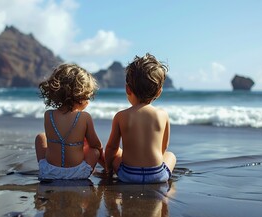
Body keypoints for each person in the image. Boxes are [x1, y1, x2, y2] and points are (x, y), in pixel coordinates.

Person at [104, 53, 176, 183]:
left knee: (117, 153)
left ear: (128, 89)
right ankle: (168, 192)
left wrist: (109, 169)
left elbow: (111, 148)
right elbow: (163, 147)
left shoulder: (121, 116)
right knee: (171, 156)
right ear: (159, 92)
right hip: (157, 176)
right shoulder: (163, 115)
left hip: (128, 175)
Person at [35, 63, 104, 180]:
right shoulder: (85, 117)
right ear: (81, 95)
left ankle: (45, 169)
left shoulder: (48, 115)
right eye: (87, 97)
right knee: (94, 151)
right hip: (77, 174)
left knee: (40, 137)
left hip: (49, 172)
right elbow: (96, 145)